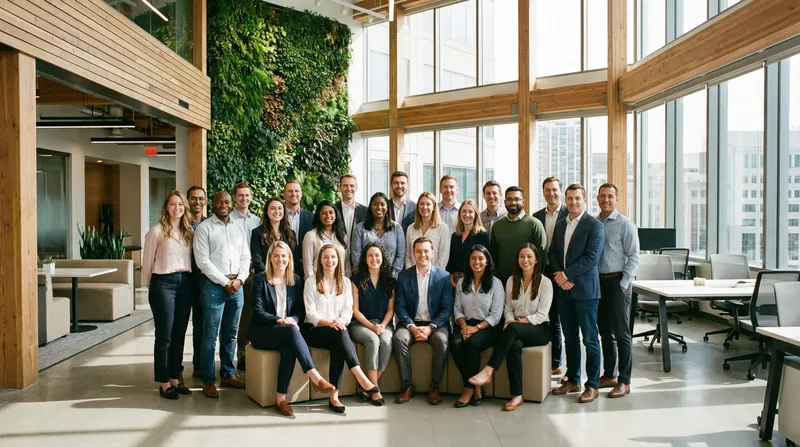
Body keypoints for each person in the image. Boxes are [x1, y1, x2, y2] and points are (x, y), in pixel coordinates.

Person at [248, 241, 335, 416]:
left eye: (284, 256)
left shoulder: (295, 280)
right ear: (270, 259)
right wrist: (280, 320)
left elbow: (299, 311)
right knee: (290, 331)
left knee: (289, 349)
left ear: (289, 259)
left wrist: (292, 320)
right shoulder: (259, 280)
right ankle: (315, 377)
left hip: (286, 331)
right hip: (263, 332)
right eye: (276, 256)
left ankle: (280, 399)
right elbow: (258, 312)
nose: (280, 259)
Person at [468, 244, 553, 411]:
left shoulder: (545, 282)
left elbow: (542, 315)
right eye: (522, 256)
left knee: (512, 329)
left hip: (539, 329)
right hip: (515, 330)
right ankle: (517, 395)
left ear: (536, 260)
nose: (525, 260)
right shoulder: (512, 281)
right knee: (513, 345)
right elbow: (508, 309)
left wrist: (516, 323)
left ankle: (488, 370)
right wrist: (510, 321)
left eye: (529, 256)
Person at [303, 245, 381, 413]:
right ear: (320, 260)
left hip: (337, 329)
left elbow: (348, 310)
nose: (329, 260)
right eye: (325, 257)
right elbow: (311, 314)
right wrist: (329, 323)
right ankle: (361, 377)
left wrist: (339, 322)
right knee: (339, 333)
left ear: (338, 260)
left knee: (339, 339)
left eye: (333, 257)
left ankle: (334, 396)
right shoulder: (311, 281)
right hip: (314, 330)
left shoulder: (345, 282)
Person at [549, 184, 605, 404]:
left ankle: (592, 385)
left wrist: (566, 276)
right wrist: (557, 275)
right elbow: (552, 251)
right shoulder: (562, 224)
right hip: (563, 291)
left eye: (577, 199)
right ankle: (573, 379)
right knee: (569, 337)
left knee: (590, 339)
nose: (573, 202)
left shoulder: (595, 226)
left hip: (585, 291)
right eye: (569, 198)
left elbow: (592, 258)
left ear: (585, 200)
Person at [193, 191, 250, 398]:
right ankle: (208, 380)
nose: (224, 205)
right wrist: (226, 282)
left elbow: (246, 257)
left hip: (237, 286)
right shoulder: (204, 228)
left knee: (231, 333)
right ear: (213, 205)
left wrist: (240, 279)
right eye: (220, 202)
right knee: (210, 334)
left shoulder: (238, 228)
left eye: (227, 202)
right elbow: (203, 262)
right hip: (213, 287)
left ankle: (228, 373)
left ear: (231, 203)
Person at [142, 190, 194, 399]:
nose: (177, 208)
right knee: (165, 334)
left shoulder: (189, 231)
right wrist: (150, 286)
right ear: (166, 207)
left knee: (180, 333)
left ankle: (175, 378)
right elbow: (147, 263)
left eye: (180, 205)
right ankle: (163, 382)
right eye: (173, 204)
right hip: (163, 283)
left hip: (185, 283)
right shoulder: (156, 232)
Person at [393, 237, 454, 405]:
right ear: (413, 253)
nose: (422, 255)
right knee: (399, 338)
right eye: (418, 251)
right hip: (411, 322)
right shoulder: (404, 277)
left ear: (432, 253)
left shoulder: (443, 277)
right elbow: (400, 307)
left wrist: (430, 327)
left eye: (426, 251)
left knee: (442, 340)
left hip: (435, 324)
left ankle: (434, 387)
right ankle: (407, 386)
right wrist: (412, 327)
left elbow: (446, 309)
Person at [596, 183, 639, 399]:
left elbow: (634, 257)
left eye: (610, 196)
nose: (606, 200)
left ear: (617, 198)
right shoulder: (595, 223)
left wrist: (623, 284)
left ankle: (624, 381)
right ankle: (609, 375)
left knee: (622, 334)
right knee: (604, 332)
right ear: (597, 198)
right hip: (599, 284)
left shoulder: (625, 224)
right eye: (602, 196)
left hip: (617, 283)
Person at [450, 245, 503, 408]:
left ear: (487, 262)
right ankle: (475, 386)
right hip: (466, 324)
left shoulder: (496, 283)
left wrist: (476, 328)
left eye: (481, 258)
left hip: (488, 327)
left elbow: (496, 315)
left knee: (472, 343)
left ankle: (468, 389)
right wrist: (465, 327)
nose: (477, 262)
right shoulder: (461, 283)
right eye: (473, 258)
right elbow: (457, 309)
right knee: (455, 342)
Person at [349, 243, 396, 406]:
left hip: (384, 324)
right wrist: (372, 327)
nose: (374, 259)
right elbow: (355, 310)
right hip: (360, 325)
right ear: (365, 258)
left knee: (387, 341)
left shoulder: (390, 280)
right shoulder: (356, 279)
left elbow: (391, 309)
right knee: (373, 340)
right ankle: (375, 390)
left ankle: (369, 387)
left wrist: (382, 325)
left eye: (377, 255)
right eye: (370, 255)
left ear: (383, 258)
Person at [532, 176, 569, 375]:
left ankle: (556, 362)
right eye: (547, 190)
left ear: (560, 191)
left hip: (562, 273)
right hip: (542, 272)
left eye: (554, 190)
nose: (551, 193)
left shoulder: (569, 213)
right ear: (543, 192)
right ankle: (546, 358)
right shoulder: (537, 216)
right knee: (544, 316)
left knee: (558, 318)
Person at [489, 186, 547, 286]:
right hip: (502, 280)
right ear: (504, 201)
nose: (513, 202)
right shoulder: (497, 225)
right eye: (509, 199)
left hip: (527, 281)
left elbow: (541, 253)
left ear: (523, 202)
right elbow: (493, 253)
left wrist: (535, 278)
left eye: (517, 199)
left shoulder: (534, 224)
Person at [231, 182, 261, 371]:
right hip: (235, 273)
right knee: (239, 317)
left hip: (254, 272)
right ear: (234, 197)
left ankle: (253, 353)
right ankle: (241, 355)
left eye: (247, 195)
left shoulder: (257, 220)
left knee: (252, 315)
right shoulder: (229, 219)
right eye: (240, 195)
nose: (244, 199)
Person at [351, 192, 405, 276]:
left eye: (382, 204)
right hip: (366, 278)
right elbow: (356, 255)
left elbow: (400, 255)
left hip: (391, 278)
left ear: (387, 207)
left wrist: (392, 275)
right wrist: (365, 276)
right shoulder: (360, 228)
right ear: (370, 208)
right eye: (375, 204)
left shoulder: (397, 228)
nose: (379, 207)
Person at [186, 185, 207, 379]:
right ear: (187, 201)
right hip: (184, 280)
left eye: (201, 198)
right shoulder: (180, 224)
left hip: (203, 280)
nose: (197, 202)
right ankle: (174, 368)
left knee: (201, 325)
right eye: (193, 198)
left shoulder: (210, 224)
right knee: (180, 325)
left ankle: (199, 364)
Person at [250, 197, 300, 275]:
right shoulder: (257, 233)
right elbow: (257, 260)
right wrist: (271, 276)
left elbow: (295, 259)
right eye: (273, 208)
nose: (277, 211)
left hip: (287, 278)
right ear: (267, 211)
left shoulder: (290, 233)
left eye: (280, 208)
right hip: (265, 278)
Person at [446, 200, 490, 288]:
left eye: (470, 212)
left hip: (473, 280)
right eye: (464, 211)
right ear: (460, 214)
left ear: (476, 215)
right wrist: (450, 277)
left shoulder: (482, 235)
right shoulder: (455, 235)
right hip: (454, 281)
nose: (467, 215)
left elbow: (484, 261)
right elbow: (451, 259)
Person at [404, 192, 451, 269]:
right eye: (421, 204)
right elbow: (408, 255)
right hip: (414, 276)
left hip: (435, 277)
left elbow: (443, 257)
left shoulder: (443, 228)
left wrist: (433, 275)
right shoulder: (411, 228)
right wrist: (412, 274)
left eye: (428, 204)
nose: (424, 207)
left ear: (434, 207)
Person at [303, 200, 349, 278]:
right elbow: (307, 265)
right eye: (323, 213)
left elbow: (347, 263)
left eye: (331, 212)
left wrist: (347, 282)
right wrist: (312, 284)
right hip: (318, 282)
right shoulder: (310, 236)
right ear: (318, 216)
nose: (328, 216)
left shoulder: (343, 236)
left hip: (340, 283)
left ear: (336, 214)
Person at [335, 174, 369, 239]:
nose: (349, 188)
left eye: (352, 186)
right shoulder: (333, 210)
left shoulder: (366, 211)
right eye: (345, 185)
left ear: (356, 188)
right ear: (340, 188)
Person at [283, 180, 314, 251]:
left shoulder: (311, 218)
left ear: (301, 194)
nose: (293, 194)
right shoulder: (278, 216)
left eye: (296, 191)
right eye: (290, 191)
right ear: (284, 194)